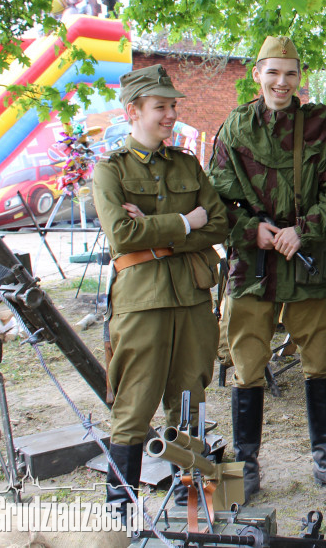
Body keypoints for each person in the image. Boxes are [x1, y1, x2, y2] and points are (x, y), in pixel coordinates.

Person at [208, 36, 326, 499]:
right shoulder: (234, 129)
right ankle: (245, 465)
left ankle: (325, 460)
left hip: (307, 265)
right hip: (253, 267)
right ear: (256, 74)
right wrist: (251, 229)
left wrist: (305, 228)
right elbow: (216, 200)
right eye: (273, 72)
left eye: (290, 74)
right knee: (246, 366)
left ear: (300, 78)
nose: (281, 82)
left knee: (318, 365)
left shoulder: (320, 125)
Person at [92, 65, 228, 518]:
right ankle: (120, 510)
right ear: (133, 111)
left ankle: (187, 501)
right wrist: (189, 223)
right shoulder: (110, 171)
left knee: (190, 398)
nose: (171, 115)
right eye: (161, 107)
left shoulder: (188, 164)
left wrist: (151, 229)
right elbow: (122, 235)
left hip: (191, 296)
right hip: (141, 301)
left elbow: (222, 222)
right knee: (134, 403)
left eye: (173, 106)